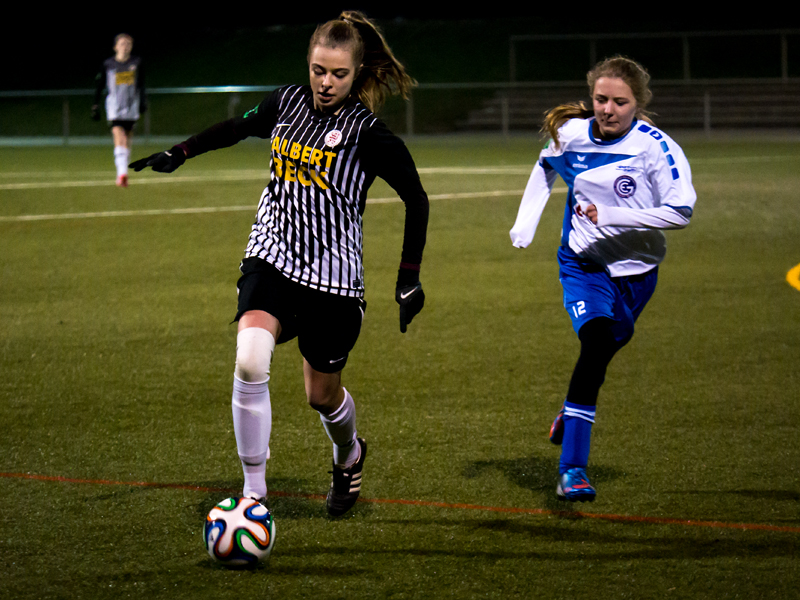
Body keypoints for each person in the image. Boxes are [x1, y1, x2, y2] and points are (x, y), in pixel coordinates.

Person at [130, 11, 429, 517]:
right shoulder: (286, 101)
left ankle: (348, 453)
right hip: (272, 256)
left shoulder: (366, 132)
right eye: (318, 70)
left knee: (321, 395)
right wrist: (181, 150)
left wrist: (408, 279)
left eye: (338, 73)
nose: (326, 82)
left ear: (356, 74)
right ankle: (254, 496)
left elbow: (417, 199)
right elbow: (238, 127)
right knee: (250, 359)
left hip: (333, 281)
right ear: (308, 64)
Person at [510, 56, 696, 502]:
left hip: (637, 271)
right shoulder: (571, 134)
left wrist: (612, 214)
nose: (607, 109)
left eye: (619, 101)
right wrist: (526, 222)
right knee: (594, 348)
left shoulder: (657, 148)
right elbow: (544, 166)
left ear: (638, 104)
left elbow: (681, 211)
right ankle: (572, 468)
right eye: (600, 99)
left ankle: (569, 414)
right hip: (584, 263)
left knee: (605, 352)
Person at [93, 33, 146, 188]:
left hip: (131, 106)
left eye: (128, 44)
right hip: (114, 107)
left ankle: (122, 173)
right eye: (122, 43)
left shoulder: (136, 63)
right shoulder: (108, 64)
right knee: (119, 135)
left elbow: (141, 84)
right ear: (115, 47)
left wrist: (143, 101)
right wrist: (95, 105)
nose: (125, 46)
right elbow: (100, 85)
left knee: (127, 139)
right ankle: (121, 173)